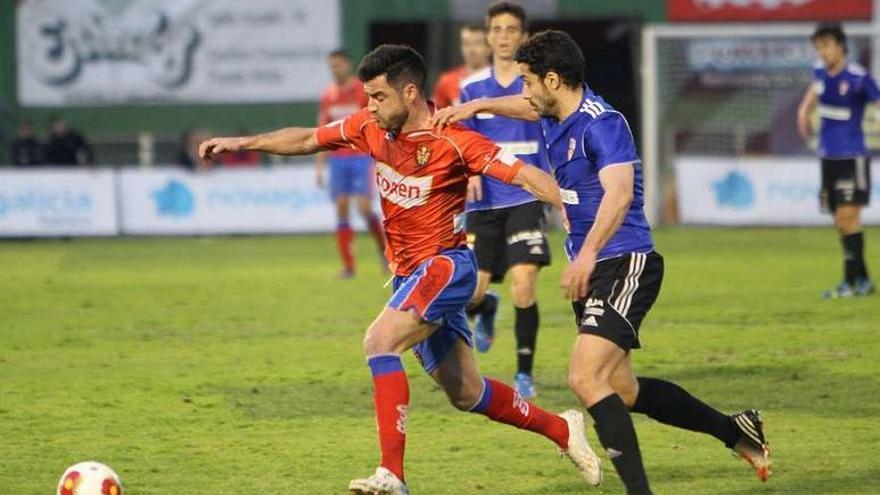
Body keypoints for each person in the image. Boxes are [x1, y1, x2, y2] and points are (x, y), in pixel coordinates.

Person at [199, 44, 601, 495]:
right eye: (368, 97)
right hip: (411, 277)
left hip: (447, 267)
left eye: (377, 96)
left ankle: (392, 475)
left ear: (409, 92)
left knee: (379, 340)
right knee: (467, 393)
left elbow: (523, 174)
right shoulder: (369, 128)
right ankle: (563, 430)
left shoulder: (454, 139)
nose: (369, 106)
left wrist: (573, 209)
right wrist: (244, 143)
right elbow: (309, 138)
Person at [433, 30, 771, 495]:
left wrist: (587, 252)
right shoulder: (553, 111)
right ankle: (736, 430)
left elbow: (620, 192)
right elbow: (527, 108)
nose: (525, 93)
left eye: (528, 82)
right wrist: (477, 107)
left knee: (584, 377)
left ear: (552, 79)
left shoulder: (602, 123)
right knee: (622, 389)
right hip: (594, 267)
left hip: (623, 260)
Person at [457, 2, 551, 399]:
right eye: (497, 29)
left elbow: (548, 135)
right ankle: (486, 308)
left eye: (512, 29)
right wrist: (472, 172)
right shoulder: (472, 88)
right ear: (488, 35)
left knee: (523, 284)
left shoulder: (538, 86)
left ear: (524, 36)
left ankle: (524, 374)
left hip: (526, 195)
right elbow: (462, 139)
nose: (504, 36)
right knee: (471, 293)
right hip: (485, 203)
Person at [797, 22, 879, 298]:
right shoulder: (819, 72)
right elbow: (813, 93)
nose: (822, 51)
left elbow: (877, 102)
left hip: (852, 155)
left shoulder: (858, 77)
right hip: (828, 156)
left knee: (848, 216)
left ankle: (849, 282)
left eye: (826, 45)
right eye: (818, 46)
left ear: (841, 46)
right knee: (839, 220)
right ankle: (863, 281)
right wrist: (803, 111)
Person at [317, 49, 386, 279]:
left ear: (347, 65)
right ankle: (349, 267)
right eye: (332, 65)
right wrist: (319, 166)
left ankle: (385, 251)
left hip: (360, 156)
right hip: (337, 158)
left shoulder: (360, 90)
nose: (336, 69)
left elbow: (375, 122)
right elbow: (322, 130)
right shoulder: (328, 95)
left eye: (339, 64)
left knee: (364, 208)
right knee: (342, 208)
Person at [432, 23, 490, 109]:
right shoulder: (447, 80)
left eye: (477, 43)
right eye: (466, 43)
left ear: (489, 48)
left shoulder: (500, 79)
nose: (471, 49)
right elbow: (435, 113)